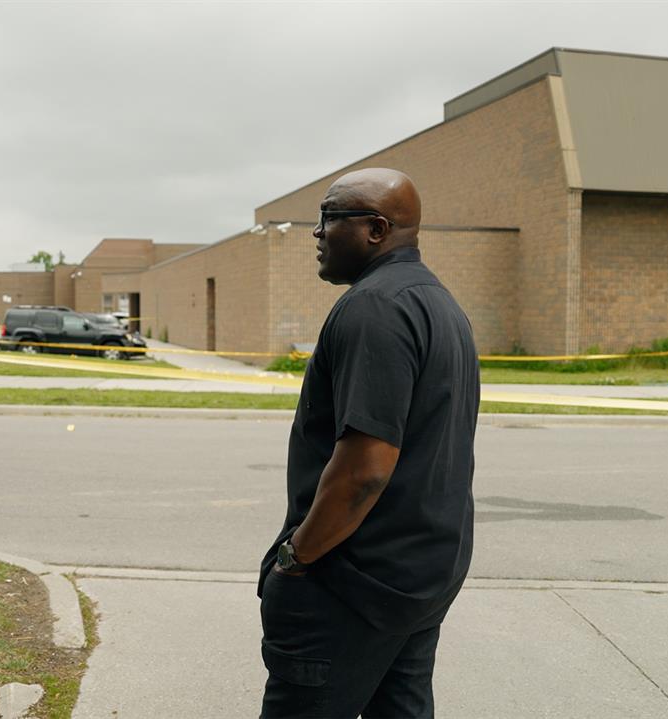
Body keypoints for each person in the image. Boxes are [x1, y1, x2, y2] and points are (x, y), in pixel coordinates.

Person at [258, 168, 480, 718]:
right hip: (419, 579)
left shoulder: (375, 308)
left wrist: (296, 556)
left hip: (351, 585)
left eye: (329, 218)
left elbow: (365, 469)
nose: (316, 232)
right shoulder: (439, 304)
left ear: (376, 229)